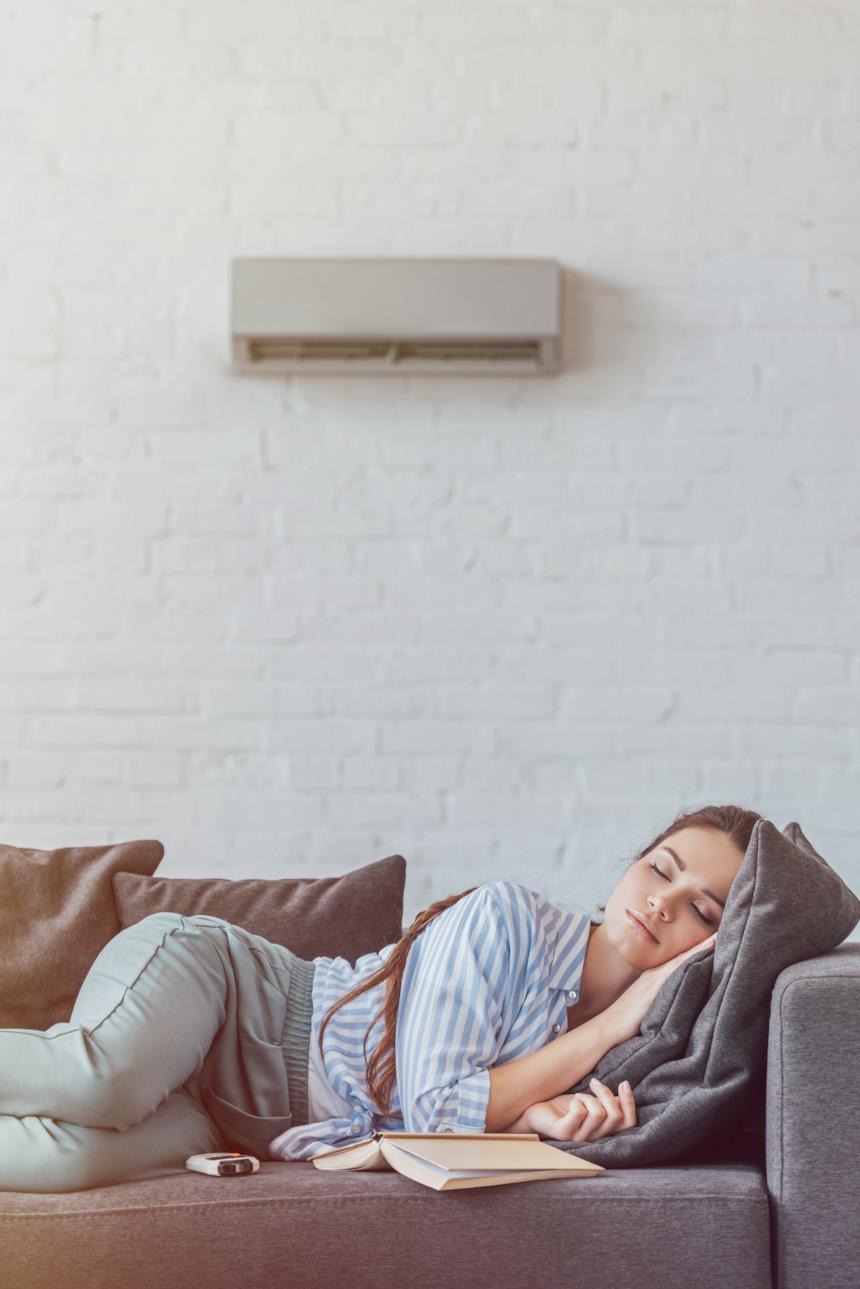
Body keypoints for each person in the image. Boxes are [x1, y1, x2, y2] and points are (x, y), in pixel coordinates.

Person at [0, 802, 758, 1192]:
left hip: (235, 1120)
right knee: (99, 1079)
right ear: (630, 865)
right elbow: (433, 1107)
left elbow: (446, 1133)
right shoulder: (507, 917)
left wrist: (526, 1117)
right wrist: (604, 1030)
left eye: (703, 908)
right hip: (224, 995)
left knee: (62, 1160)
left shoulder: (641, 1052)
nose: (665, 902)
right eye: (662, 868)